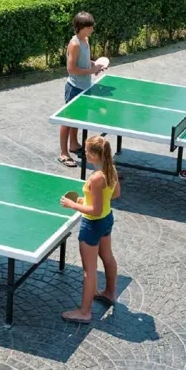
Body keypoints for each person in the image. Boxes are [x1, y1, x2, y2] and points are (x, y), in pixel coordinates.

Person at [60, 135, 121, 323]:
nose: (84, 153)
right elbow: (115, 194)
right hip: (106, 220)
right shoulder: (111, 170)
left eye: (86, 151)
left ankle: (84, 312)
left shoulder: (96, 178)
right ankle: (110, 293)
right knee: (108, 257)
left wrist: (72, 205)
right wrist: (86, 199)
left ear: (95, 154)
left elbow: (93, 210)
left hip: (92, 225)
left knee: (89, 270)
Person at [58, 11, 104, 168]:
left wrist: (93, 65)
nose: (92, 30)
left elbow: (82, 61)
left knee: (77, 119)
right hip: (74, 87)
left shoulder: (85, 40)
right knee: (67, 121)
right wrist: (90, 71)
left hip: (84, 86)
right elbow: (71, 68)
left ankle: (74, 144)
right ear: (80, 27)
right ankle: (64, 153)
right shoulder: (75, 44)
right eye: (89, 27)